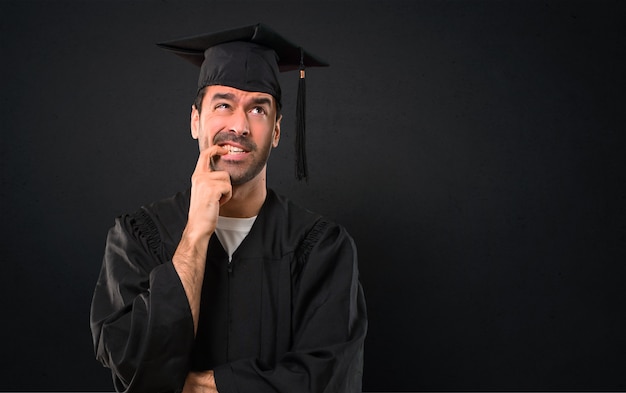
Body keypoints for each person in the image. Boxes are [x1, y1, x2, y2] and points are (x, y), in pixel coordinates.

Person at [90, 23, 367, 393]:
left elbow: (329, 378)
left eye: (258, 109)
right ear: (195, 120)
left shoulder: (320, 248)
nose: (239, 125)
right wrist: (196, 234)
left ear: (278, 131)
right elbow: (131, 359)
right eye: (223, 104)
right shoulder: (138, 238)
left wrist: (198, 386)